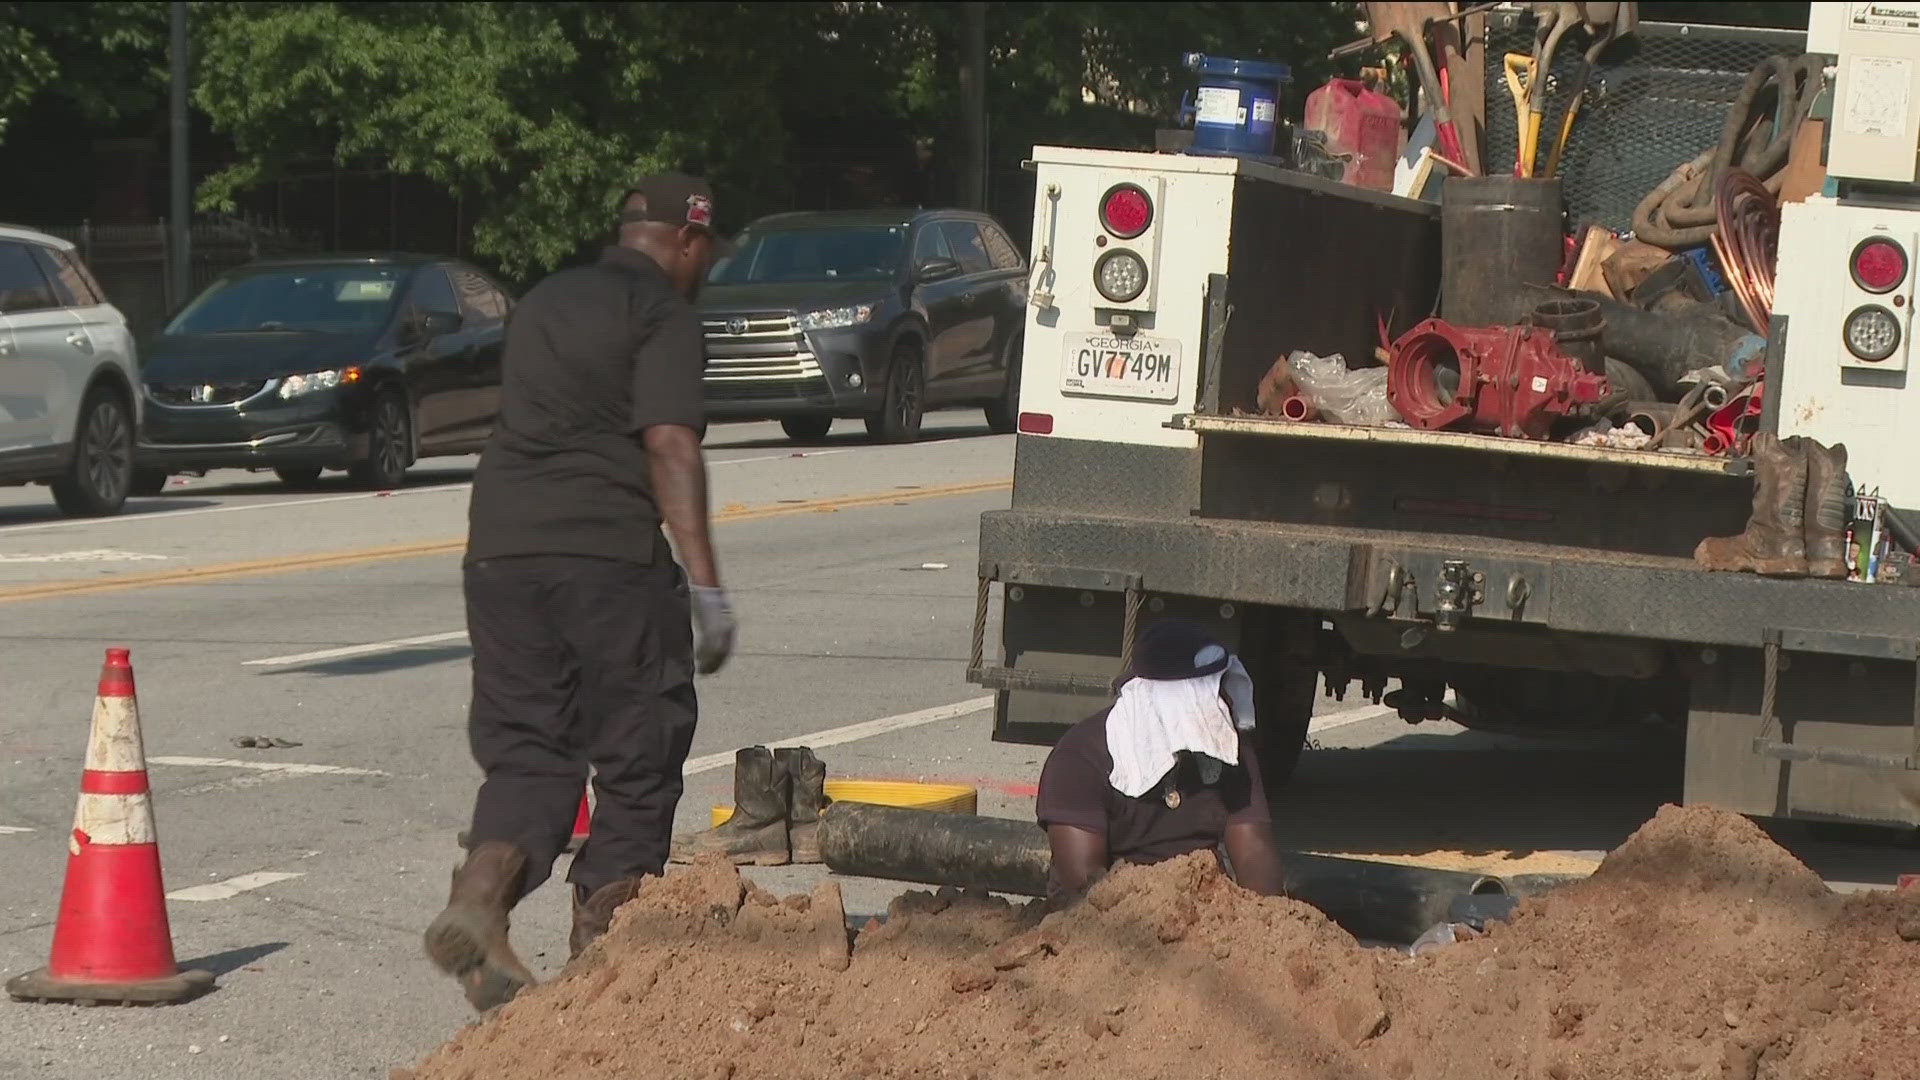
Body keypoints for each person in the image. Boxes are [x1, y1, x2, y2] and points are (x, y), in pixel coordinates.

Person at [424, 176, 737, 1012]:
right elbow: (669, 445)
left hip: (498, 548)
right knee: (638, 752)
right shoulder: (664, 314)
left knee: (531, 749)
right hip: (604, 557)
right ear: (687, 241)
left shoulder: (544, 299)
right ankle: (608, 965)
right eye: (708, 251)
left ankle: (482, 899)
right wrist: (706, 587)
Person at [1035, 620, 1285, 902]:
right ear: (1171, 705)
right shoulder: (1080, 758)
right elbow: (1083, 887)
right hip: (1112, 924)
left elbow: (1254, 852)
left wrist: (1264, 920)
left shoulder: (1228, 746)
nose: (1224, 703)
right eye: (1210, 698)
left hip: (1204, 910)